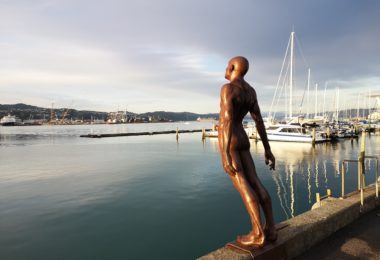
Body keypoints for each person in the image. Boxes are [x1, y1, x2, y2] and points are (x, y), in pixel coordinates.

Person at [218, 56, 277, 247]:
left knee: (243, 185)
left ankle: (257, 233)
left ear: (234, 67)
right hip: (243, 139)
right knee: (255, 181)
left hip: (231, 141)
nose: (226, 69)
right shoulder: (250, 91)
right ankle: (271, 229)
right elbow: (258, 121)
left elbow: (227, 120)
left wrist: (226, 153)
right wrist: (267, 149)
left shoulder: (228, 89)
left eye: (228, 65)